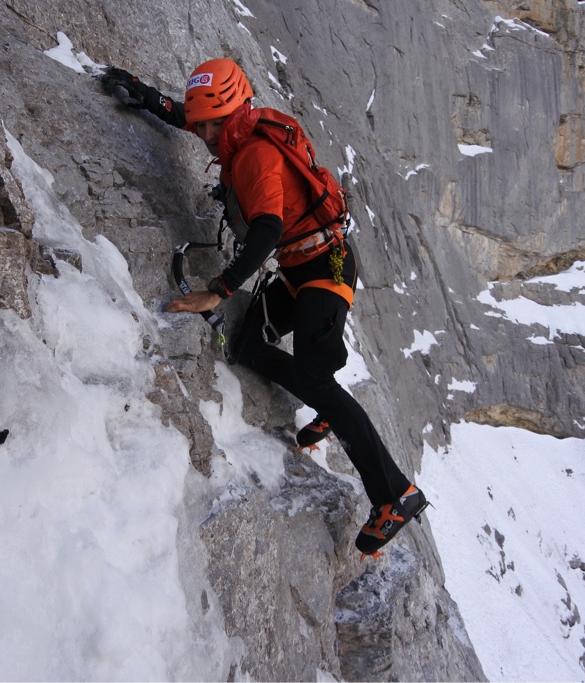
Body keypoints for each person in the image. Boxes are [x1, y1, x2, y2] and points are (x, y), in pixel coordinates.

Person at [101, 59, 427, 559]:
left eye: (209, 125)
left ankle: (395, 493)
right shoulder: (237, 126)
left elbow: (267, 232)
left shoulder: (253, 156)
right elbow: (185, 116)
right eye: (201, 123)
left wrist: (219, 290)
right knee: (250, 346)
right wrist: (145, 95)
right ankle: (324, 402)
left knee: (319, 380)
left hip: (328, 265)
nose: (203, 135)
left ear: (227, 116)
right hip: (298, 268)